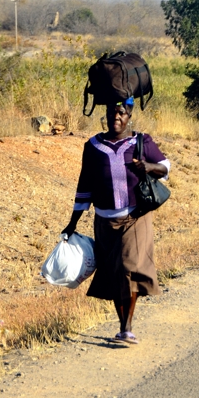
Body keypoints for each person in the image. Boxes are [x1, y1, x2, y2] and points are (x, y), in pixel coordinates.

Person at [61, 97, 170, 345]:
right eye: (112, 113)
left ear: (129, 116)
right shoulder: (93, 146)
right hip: (104, 220)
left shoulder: (141, 141)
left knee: (128, 266)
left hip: (136, 217)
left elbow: (165, 167)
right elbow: (84, 186)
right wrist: (72, 223)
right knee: (113, 274)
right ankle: (123, 326)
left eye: (121, 113)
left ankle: (127, 327)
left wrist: (148, 166)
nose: (116, 118)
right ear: (106, 116)